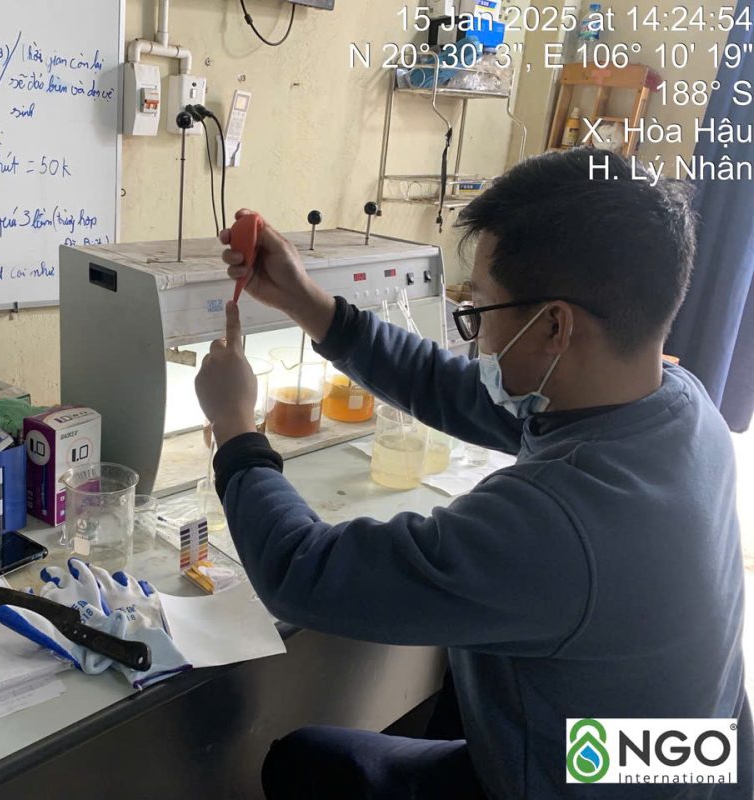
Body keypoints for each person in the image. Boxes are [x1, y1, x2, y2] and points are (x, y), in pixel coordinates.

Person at [194, 149, 751, 799]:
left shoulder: (557, 523)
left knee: (304, 762)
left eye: (479, 311)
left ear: (554, 326)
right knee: (466, 696)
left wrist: (235, 431)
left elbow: (303, 573)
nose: (477, 338)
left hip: (587, 782)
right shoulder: (677, 403)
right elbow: (454, 389)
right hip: (685, 761)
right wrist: (309, 303)